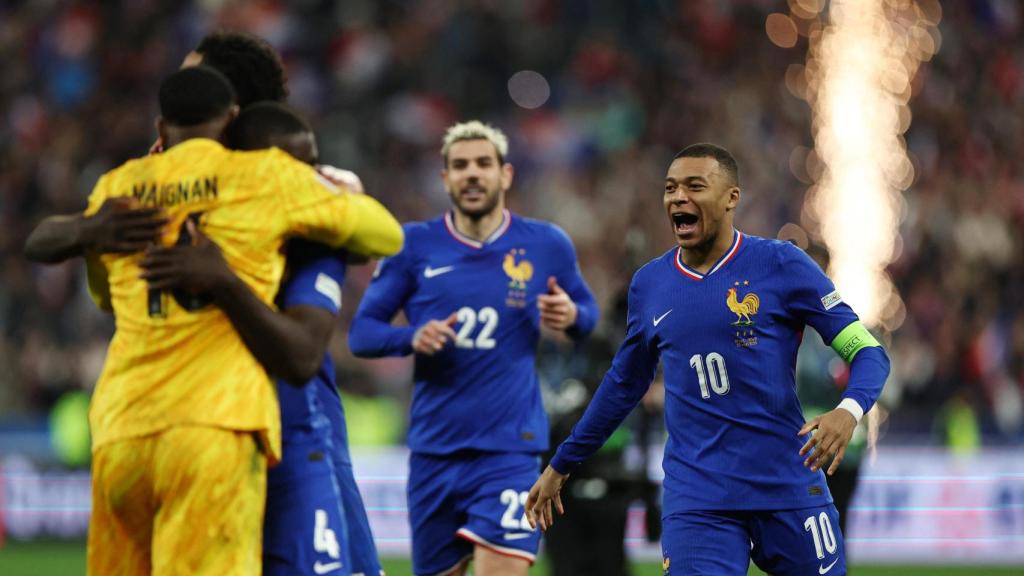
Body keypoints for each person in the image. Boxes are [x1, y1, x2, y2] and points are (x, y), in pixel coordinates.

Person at [24, 30, 386, 575]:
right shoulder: (155, 186)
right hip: (203, 427)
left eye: (196, 77)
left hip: (287, 427)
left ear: (231, 110)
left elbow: (303, 351)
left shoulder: (303, 198)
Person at [526, 143, 891, 576]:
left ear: (731, 198)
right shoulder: (651, 285)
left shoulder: (782, 264)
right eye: (670, 188)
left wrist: (848, 411)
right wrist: (562, 464)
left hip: (786, 483)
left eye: (694, 186)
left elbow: (868, 351)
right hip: (699, 497)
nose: (678, 197)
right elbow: (622, 386)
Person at [141, 101, 386, 576]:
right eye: (294, 167)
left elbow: (380, 236)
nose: (305, 178)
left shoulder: (316, 236)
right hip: (211, 444)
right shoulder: (181, 225)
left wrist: (347, 196)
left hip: (302, 435)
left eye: (310, 167)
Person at [347, 120, 599, 576]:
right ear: (445, 178)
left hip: (509, 451)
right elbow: (362, 333)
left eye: (483, 163)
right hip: (433, 453)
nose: (472, 174)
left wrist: (571, 316)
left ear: (505, 175)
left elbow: (588, 314)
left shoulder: (545, 244)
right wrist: (411, 338)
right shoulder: (413, 246)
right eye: (459, 165)